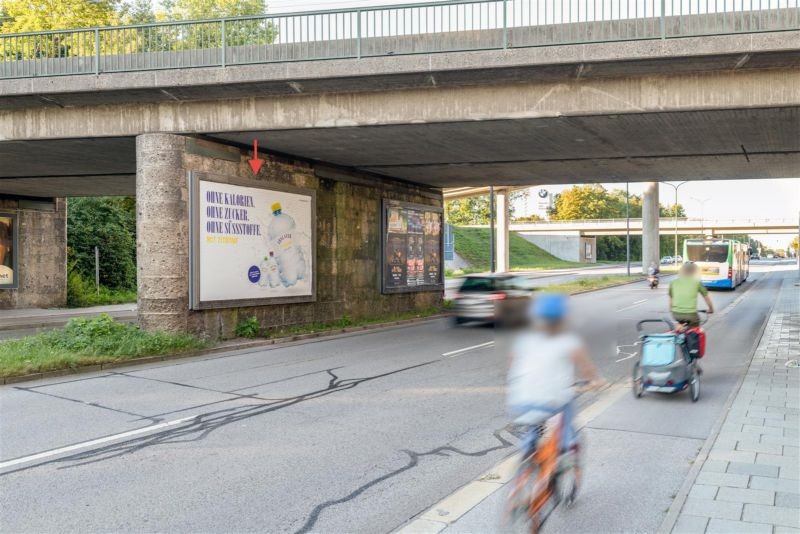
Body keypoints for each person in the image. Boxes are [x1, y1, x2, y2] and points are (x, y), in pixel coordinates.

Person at [506, 293, 604, 453]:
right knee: (566, 413)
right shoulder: (569, 341)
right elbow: (587, 369)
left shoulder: (525, 338)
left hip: (519, 400)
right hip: (551, 400)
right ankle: (567, 445)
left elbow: (512, 363)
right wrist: (596, 381)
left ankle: (527, 454)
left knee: (534, 425)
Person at [668, 261, 714, 328]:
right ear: (694, 271)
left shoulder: (673, 282)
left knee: (680, 329)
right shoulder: (697, 283)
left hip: (675, 314)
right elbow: (707, 298)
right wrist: (711, 309)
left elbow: (671, 299)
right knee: (695, 330)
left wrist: (671, 310)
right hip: (691, 315)